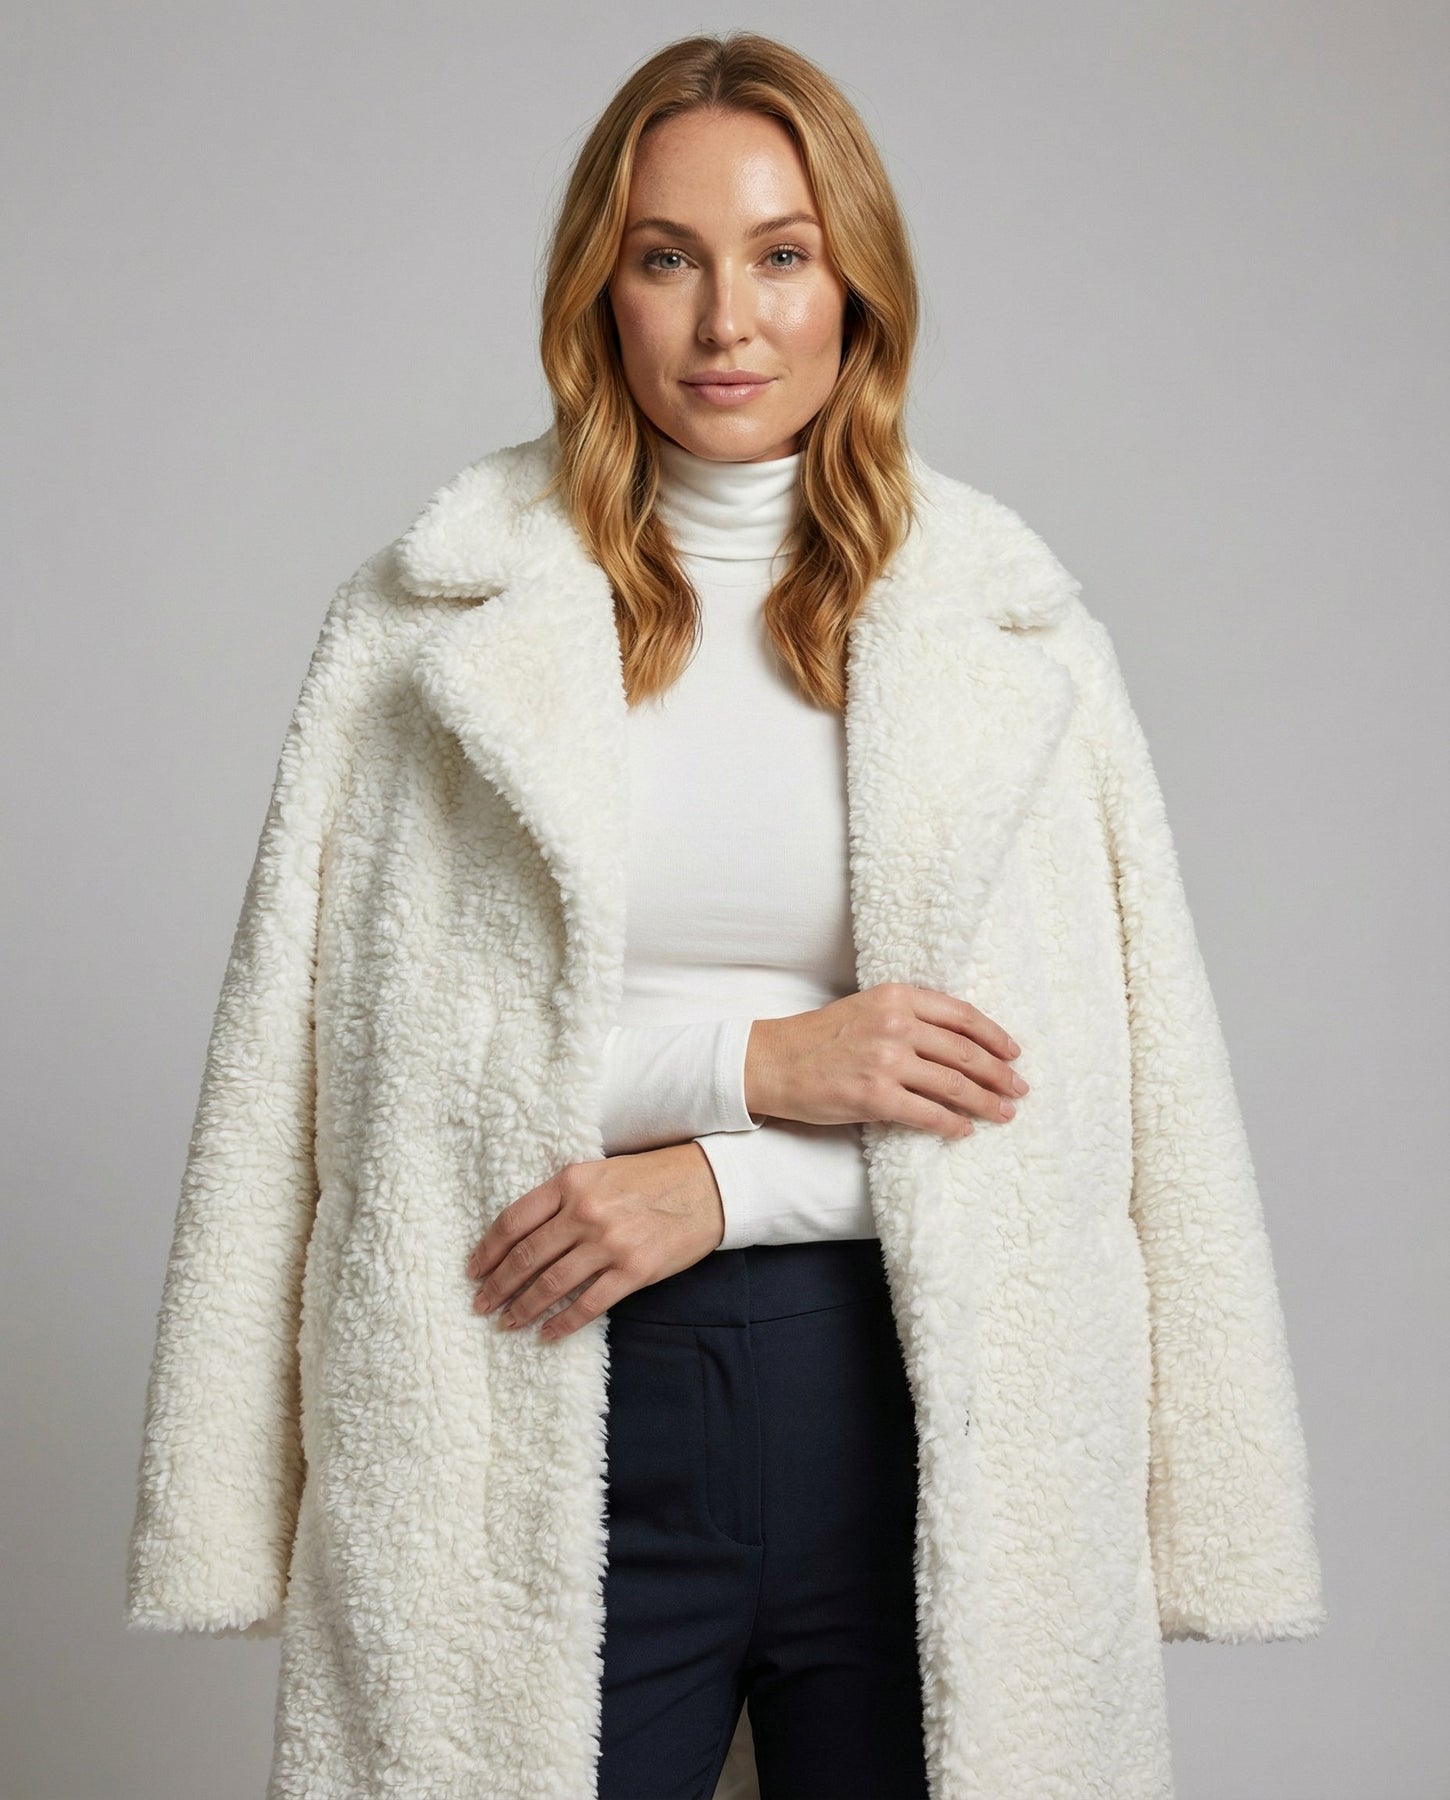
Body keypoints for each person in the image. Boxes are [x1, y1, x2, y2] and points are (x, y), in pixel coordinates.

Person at [124, 31, 1326, 1800]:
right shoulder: (433, 624)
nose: (725, 322)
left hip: (916, 1414)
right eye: (666, 257)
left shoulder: (1007, 633)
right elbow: (361, 1081)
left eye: (780, 254)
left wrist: (717, 1180)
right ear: (597, 292)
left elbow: (1078, 1113)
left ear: (856, 287)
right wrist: (761, 1062)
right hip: (528, 1391)